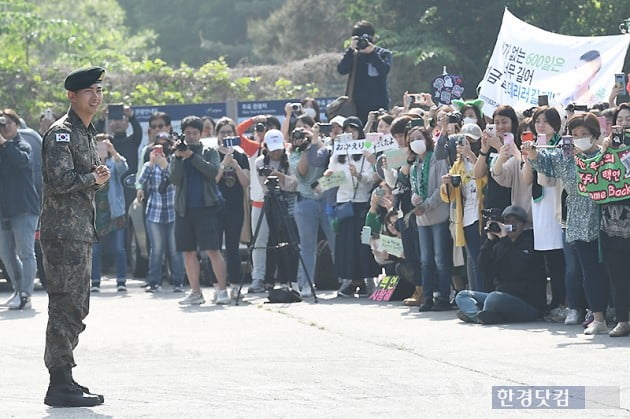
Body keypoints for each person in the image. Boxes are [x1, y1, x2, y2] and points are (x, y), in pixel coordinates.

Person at [40, 66, 109, 407]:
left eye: (98, 90)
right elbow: (61, 180)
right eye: (88, 92)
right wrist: (92, 179)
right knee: (65, 306)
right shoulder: (61, 134)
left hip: (79, 232)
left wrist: (95, 178)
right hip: (63, 234)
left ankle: (65, 375)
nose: (95, 97)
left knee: (77, 307)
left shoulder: (85, 133)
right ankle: (58, 383)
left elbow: (82, 178)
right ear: (72, 96)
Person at [525, 113, 610, 335]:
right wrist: (532, 151)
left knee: (612, 269)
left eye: (584, 134)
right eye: (575, 134)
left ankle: (619, 314)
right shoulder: (565, 158)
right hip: (580, 218)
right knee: (589, 270)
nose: (579, 138)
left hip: (609, 217)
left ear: (595, 135)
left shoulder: (606, 155)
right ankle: (597, 317)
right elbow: (544, 162)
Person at [170, 115, 229, 306]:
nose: (191, 137)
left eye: (195, 133)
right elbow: (175, 180)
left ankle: (222, 290)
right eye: (187, 133)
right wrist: (179, 158)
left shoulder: (209, 150)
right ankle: (195, 292)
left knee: (212, 250)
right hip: (184, 208)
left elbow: (213, 173)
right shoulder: (176, 153)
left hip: (206, 207)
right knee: (188, 252)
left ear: (201, 133)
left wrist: (192, 157)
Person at [455, 206, 547, 324]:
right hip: (500, 298)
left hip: (526, 303)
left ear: (523, 225)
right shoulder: (499, 244)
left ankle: (476, 313)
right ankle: (479, 316)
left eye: (515, 222)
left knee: (493, 298)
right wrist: (490, 240)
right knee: (462, 295)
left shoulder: (529, 244)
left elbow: (516, 267)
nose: (511, 225)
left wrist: (504, 239)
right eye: (507, 222)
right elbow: (483, 267)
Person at [0, 109, 41, 310]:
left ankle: (26, 293)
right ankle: (18, 291)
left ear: (17, 125)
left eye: (8, 123)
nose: (4, 127)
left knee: (26, 252)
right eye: (1, 124)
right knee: (6, 254)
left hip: (24, 209)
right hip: (4, 210)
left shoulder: (23, 144)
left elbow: (22, 161)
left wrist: (4, 143)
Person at [408, 125, 452, 311]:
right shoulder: (414, 167)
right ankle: (427, 297)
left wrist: (427, 204)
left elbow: (441, 188)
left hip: (438, 214)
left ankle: (443, 296)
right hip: (422, 219)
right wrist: (415, 200)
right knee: (426, 259)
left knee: (440, 258)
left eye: (419, 137)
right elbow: (414, 189)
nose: (415, 142)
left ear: (426, 139)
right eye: (411, 139)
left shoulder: (437, 159)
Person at [289, 125, 334, 297]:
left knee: (335, 240)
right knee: (307, 246)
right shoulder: (294, 155)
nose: (301, 140)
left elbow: (326, 160)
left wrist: (315, 141)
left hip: (326, 200)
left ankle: (346, 281)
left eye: (305, 136)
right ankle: (306, 283)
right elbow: (301, 172)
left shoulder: (322, 148)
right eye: (297, 138)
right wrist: (307, 150)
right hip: (305, 203)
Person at [440, 123, 486, 292]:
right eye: (463, 141)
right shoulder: (457, 165)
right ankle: (476, 295)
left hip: (481, 215)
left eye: (471, 141)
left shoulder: (482, 158)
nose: (466, 145)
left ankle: (481, 295)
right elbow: (447, 196)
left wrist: (473, 155)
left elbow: (486, 178)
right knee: (473, 260)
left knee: (480, 260)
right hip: (465, 217)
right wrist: (447, 184)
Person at [251, 129, 298, 292]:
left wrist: (278, 174)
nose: (276, 152)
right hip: (268, 201)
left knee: (286, 240)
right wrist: (274, 177)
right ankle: (264, 279)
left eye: (278, 148)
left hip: (287, 202)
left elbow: (294, 183)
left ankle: (287, 279)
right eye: (273, 148)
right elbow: (266, 185)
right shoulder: (260, 162)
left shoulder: (290, 160)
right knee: (265, 240)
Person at [137, 134, 185, 293]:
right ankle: (154, 282)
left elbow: (176, 179)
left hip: (172, 211)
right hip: (154, 212)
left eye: (164, 146)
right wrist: (151, 163)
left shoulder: (174, 162)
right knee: (156, 250)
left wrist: (165, 165)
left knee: (175, 249)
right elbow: (141, 180)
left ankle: (178, 281)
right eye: (158, 146)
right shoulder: (149, 164)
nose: (161, 149)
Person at [599, 104, 630, 337]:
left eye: (629, 119)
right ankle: (622, 319)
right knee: (617, 272)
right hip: (612, 221)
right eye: (621, 119)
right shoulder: (606, 148)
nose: (625, 123)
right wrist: (605, 150)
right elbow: (592, 175)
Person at [214, 118, 250, 294]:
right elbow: (212, 181)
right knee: (214, 248)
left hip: (235, 207)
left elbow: (245, 182)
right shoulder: (212, 154)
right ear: (217, 135)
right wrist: (223, 164)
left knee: (232, 247)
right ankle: (217, 287)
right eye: (223, 132)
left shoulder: (241, 155)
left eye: (229, 132)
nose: (226, 135)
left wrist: (235, 164)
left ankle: (235, 286)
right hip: (215, 207)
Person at [90, 134, 129, 293]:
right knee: (95, 251)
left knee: (119, 249)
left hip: (115, 212)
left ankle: (121, 281)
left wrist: (113, 151)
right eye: (98, 146)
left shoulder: (114, 164)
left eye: (104, 146)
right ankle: (95, 282)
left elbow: (124, 168)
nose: (101, 149)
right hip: (96, 214)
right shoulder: (89, 165)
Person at [337, 20, 392, 125]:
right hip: (357, 106)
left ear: (374, 38)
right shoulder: (353, 55)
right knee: (361, 137)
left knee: (379, 134)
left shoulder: (383, 53)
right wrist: (351, 50)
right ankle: (366, 143)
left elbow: (384, 70)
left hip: (379, 104)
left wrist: (372, 53)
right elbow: (341, 70)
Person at [107, 104, 142, 210]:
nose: (117, 122)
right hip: (113, 187)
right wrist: (100, 119)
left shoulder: (133, 140)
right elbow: (96, 137)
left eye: (121, 119)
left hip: (130, 185)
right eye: (113, 119)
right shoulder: (108, 142)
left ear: (127, 124)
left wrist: (131, 116)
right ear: (109, 123)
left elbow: (138, 131)